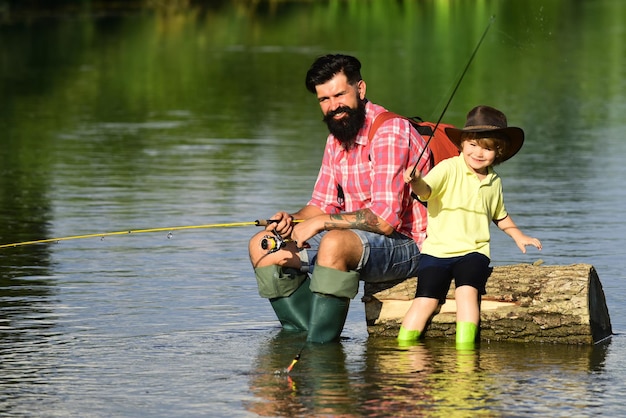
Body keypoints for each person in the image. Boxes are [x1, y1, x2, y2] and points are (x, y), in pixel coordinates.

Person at [248, 54, 432, 343]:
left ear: (360, 89)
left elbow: (385, 221)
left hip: (411, 245)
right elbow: (320, 204)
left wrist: (321, 223)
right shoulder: (336, 138)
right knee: (263, 245)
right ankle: (305, 335)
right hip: (357, 239)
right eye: (324, 99)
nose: (333, 107)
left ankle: (321, 350)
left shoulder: (389, 131)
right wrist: (290, 220)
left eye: (339, 95)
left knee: (333, 241)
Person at [398, 105, 542, 348]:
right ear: (462, 143)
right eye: (473, 145)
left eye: (487, 148)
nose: (478, 152)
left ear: (499, 151)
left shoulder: (494, 181)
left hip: (473, 252)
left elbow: (499, 215)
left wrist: (518, 235)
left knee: (467, 294)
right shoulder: (448, 168)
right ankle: (403, 348)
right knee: (425, 300)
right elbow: (426, 191)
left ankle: (465, 354)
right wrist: (415, 181)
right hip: (436, 251)